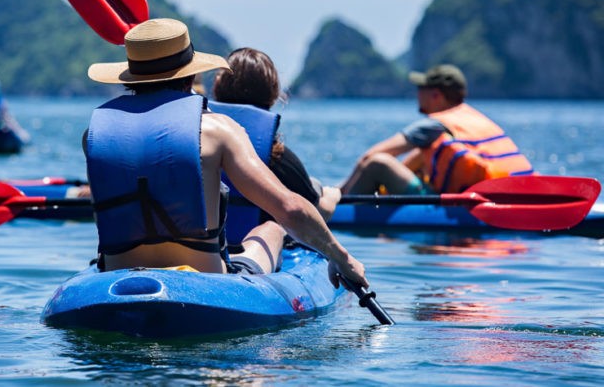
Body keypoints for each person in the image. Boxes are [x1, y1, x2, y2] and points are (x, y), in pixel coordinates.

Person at [83, 18, 368, 291]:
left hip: (116, 273)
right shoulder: (217, 130)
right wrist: (342, 258)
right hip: (206, 278)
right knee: (273, 227)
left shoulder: (95, 134)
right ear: (190, 76)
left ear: (129, 78)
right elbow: (291, 209)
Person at [210, 47, 341, 247]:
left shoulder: (198, 141)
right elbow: (311, 216)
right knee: (315, 192)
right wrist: (333, 198)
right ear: (272, 94)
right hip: (255, 247)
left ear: (217, 87)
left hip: (206, 245)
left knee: (312, 185)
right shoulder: (276, 157)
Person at [340, 64, 534, 195]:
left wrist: (338, 195)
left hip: (458, 205)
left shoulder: (433, 124)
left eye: (421, 89)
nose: (417, 94)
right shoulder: (474, 119)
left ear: (436, 95)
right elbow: (415, 160)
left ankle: (335, 212)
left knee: (378, 163)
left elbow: (368, 157)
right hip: (507, 193)